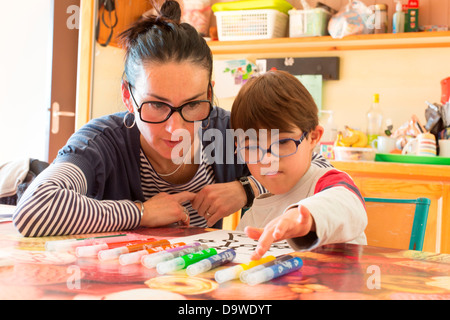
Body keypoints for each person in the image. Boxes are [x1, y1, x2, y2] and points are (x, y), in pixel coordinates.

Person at [12, 1, 332, 237]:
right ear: (128, 97)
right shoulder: (102, 143)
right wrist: (141, 213)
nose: (175, 128)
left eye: (192, 105)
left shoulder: (225, 134)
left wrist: (248, 188)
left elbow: (318, 167)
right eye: (156, 105)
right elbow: (34, 210)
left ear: (209, 93)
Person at [231, 70, 367, 260]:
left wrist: (307, 216)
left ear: (313, 137)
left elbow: (350, 205)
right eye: (252, 147)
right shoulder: (253, 215)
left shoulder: (326, 182)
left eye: (282, 142)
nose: (267, 159)